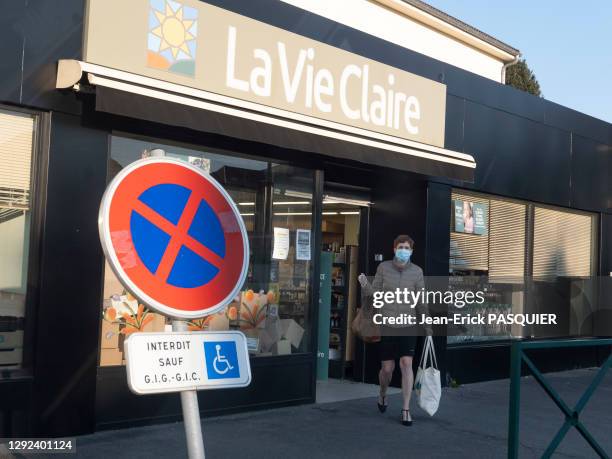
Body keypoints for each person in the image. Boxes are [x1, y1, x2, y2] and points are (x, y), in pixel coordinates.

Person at [358, 234, 432, 426]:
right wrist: (365, 285)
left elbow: (421, 300)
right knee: (387, 369)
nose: (404, 251)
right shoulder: (383, 268)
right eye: (401, 247)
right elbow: (375, 294)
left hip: (408, 324)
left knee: (407, 363)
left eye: (407, 248)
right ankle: (383, 393)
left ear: (412, 251)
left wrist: (427, 325)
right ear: (394, 248)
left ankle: (406, 409)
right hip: (388, 323)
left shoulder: (417, 272)